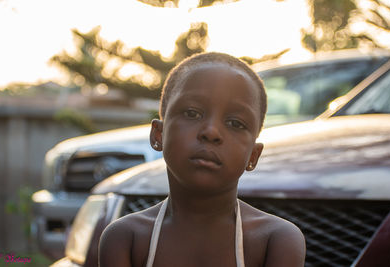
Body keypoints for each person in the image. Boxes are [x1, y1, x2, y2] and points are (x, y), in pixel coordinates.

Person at [98, 52, 306, 267]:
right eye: (192, 113)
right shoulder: (126, 238)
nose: (211, 132)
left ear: (253, 156)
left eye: (235, 123)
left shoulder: (276, 240)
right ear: (159, 135)